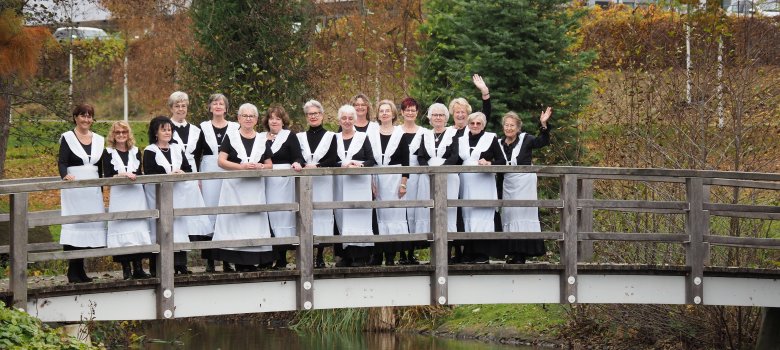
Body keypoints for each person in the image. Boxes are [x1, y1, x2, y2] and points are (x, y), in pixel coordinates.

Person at [143, 116, 211, 275]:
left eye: (169, 129)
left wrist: (181, 172)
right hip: (159, 197)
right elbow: (150, 171)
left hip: (177, 196)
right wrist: (168, 174)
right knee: (160, 230)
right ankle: (158, 268)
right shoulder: (150, 150)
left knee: (179, 229)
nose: (167, 132)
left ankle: (180, 265)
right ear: (155, 132)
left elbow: (187, 168)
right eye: (163, 129)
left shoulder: (177, 148)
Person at [211, 103, 275, 272]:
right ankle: (234, 260)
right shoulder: (231, 137)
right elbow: (221, 161)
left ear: (256, 120)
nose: (248, 119)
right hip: (234, 188)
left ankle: (252, 260)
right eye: (244, 116)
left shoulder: (262, 139)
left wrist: (261, 167)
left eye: (251, 116)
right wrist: (241, 167)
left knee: (253, 223)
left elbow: (270, 165)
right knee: (234, 223)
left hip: (254, 189)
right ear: (238, 118)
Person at [58, 104, 106, 283]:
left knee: (88, 226)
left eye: (89, 116)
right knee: (75, 226)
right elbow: (62, 162)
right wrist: (65, 175)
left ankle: (81, 270)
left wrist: (101, 189)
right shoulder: (68, 138)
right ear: (75, 117)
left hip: (92, 190)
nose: (86, 119)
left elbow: (100, 168)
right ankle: (73, 270)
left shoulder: (99, 139)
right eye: (83, 116)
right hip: (74, 188)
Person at [498, 109, 552, 264]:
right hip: (508, 183)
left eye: (512, 125)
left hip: (525, 184)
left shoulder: (526, 139)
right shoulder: (499, 143)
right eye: (506, 125)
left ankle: (522, 254)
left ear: (518, 127)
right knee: (509, 215)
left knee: (523, 215)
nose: (509, 128)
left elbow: (543, 141)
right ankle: (513, 252)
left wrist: (543, 124)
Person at [448, 74, 492, 263]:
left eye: (463, 112)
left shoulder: (473, 129)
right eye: (457, 112)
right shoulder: (448, 131)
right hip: (452, 179)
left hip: (471, 181)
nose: (460, 115)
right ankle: (456, 252)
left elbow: (485, 115)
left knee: (469, 213)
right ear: (452, 114)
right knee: (456, 214)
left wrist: (484, 92)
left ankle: (470, 251)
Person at [451, 112, 506, 264]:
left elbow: (502, 160)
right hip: (465, 183)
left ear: (483, 125)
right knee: (466, 216)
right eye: (472, 123)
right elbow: (454, 159)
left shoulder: (491, 138)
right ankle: (468, 252)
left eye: (478, 123)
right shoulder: (460, 139)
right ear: (468, 124)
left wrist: (490, 164)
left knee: (482, 215)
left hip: (484, 184)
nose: (475, 126)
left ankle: (482, 253)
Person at [102, 121, 152, 280]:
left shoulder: (136, 151)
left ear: (128, 133)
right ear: (113, 135)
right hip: (120, 195)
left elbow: (139, 172)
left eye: (124, 132)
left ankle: (138, 268)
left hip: (136, 195)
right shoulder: (108, 152)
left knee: (137, 227)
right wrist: (123, 175)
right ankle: (126, 270)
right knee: (122, 228)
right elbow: (108, 175)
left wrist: (135, 176)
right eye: (118, 132)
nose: (121, 135)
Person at [195, 93, 237, 272]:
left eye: (221, 103)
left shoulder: (235, 127)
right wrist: (197, 177)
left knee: (227, 213)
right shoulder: (202, 128)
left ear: (226, 108)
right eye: (215, 103)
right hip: (209, 170)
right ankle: (210, 260)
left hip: (229, 171)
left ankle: (228, 259)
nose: (218, 106)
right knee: (210, 213)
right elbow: (196, 153)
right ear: (210, 107)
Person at [297, 100, 339, 268]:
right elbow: (297, 155)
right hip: (305, 180)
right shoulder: (300, 137)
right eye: (309, 114)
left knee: (322, 214)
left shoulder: (331, 136)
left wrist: (318, 166)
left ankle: (320, 255)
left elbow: (333, 158)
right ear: (306, 117)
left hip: (323, 181)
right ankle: (307, 254)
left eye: (316, 113)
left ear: (321, 115)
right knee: (306, 215)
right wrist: (301, 163)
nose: (313, 116)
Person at [367, 99, 409, 266]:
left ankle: (391, 255)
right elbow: (369, 159)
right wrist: (371, 182)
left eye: (387, 110)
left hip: (395, 178)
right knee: (379, 216)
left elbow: (406, 162)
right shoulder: (372, 134)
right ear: (378, 115)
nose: (384, 113)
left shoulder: (401, 134)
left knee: (394, 215)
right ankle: (378, 255)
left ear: (393, 114)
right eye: (381, 111)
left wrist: (404, 183)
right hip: (378, 177)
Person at [333, 105, 376, 267]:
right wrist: (344, 163)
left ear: (355, 120)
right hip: (341, 184)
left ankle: (361, 256)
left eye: (350, 118)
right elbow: (329, 160)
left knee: (359, 217)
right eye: (344, 118)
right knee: (343, 215)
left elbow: (371, 160)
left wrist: (359, 165)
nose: (347, 121)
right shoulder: (334, 138)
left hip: (359, 184)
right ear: (339, 120)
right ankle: (345, 256)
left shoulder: (363, 137)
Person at [262, 104, 304, 269]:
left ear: (283, 121)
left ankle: (282, 257)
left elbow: (298, 156)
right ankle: (267, 256)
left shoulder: (289, 136)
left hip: (284, 181)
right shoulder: (261, 137)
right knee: (267, 215)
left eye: (278, 118)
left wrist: (297, 163)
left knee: (282, 215)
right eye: (271, 118)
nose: (274, 121)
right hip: (266, 180)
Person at [416, 103, 460, 241]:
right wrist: (429, 170)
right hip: (428, 175)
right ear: (430, 118)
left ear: (446, 118)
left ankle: (448, 246)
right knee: (430, 209)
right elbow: (421, 156)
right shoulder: (426, 135)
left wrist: (441, 169)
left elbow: (455, 155)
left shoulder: (453, 133)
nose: (438, 118)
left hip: (448, 175)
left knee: (447, 210)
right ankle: (431, 244)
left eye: (441, 115)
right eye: (435, 115)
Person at [399, 97, 428, 265]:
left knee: (414, 213)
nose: (410, 112)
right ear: (402, 112)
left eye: (413, 110)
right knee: (401, 213)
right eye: (407, 109)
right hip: (400, 177)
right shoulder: (396, 131)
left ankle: (411, 253)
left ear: (417, 113)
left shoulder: (424, 132)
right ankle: (401, 253)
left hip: (416, 178)